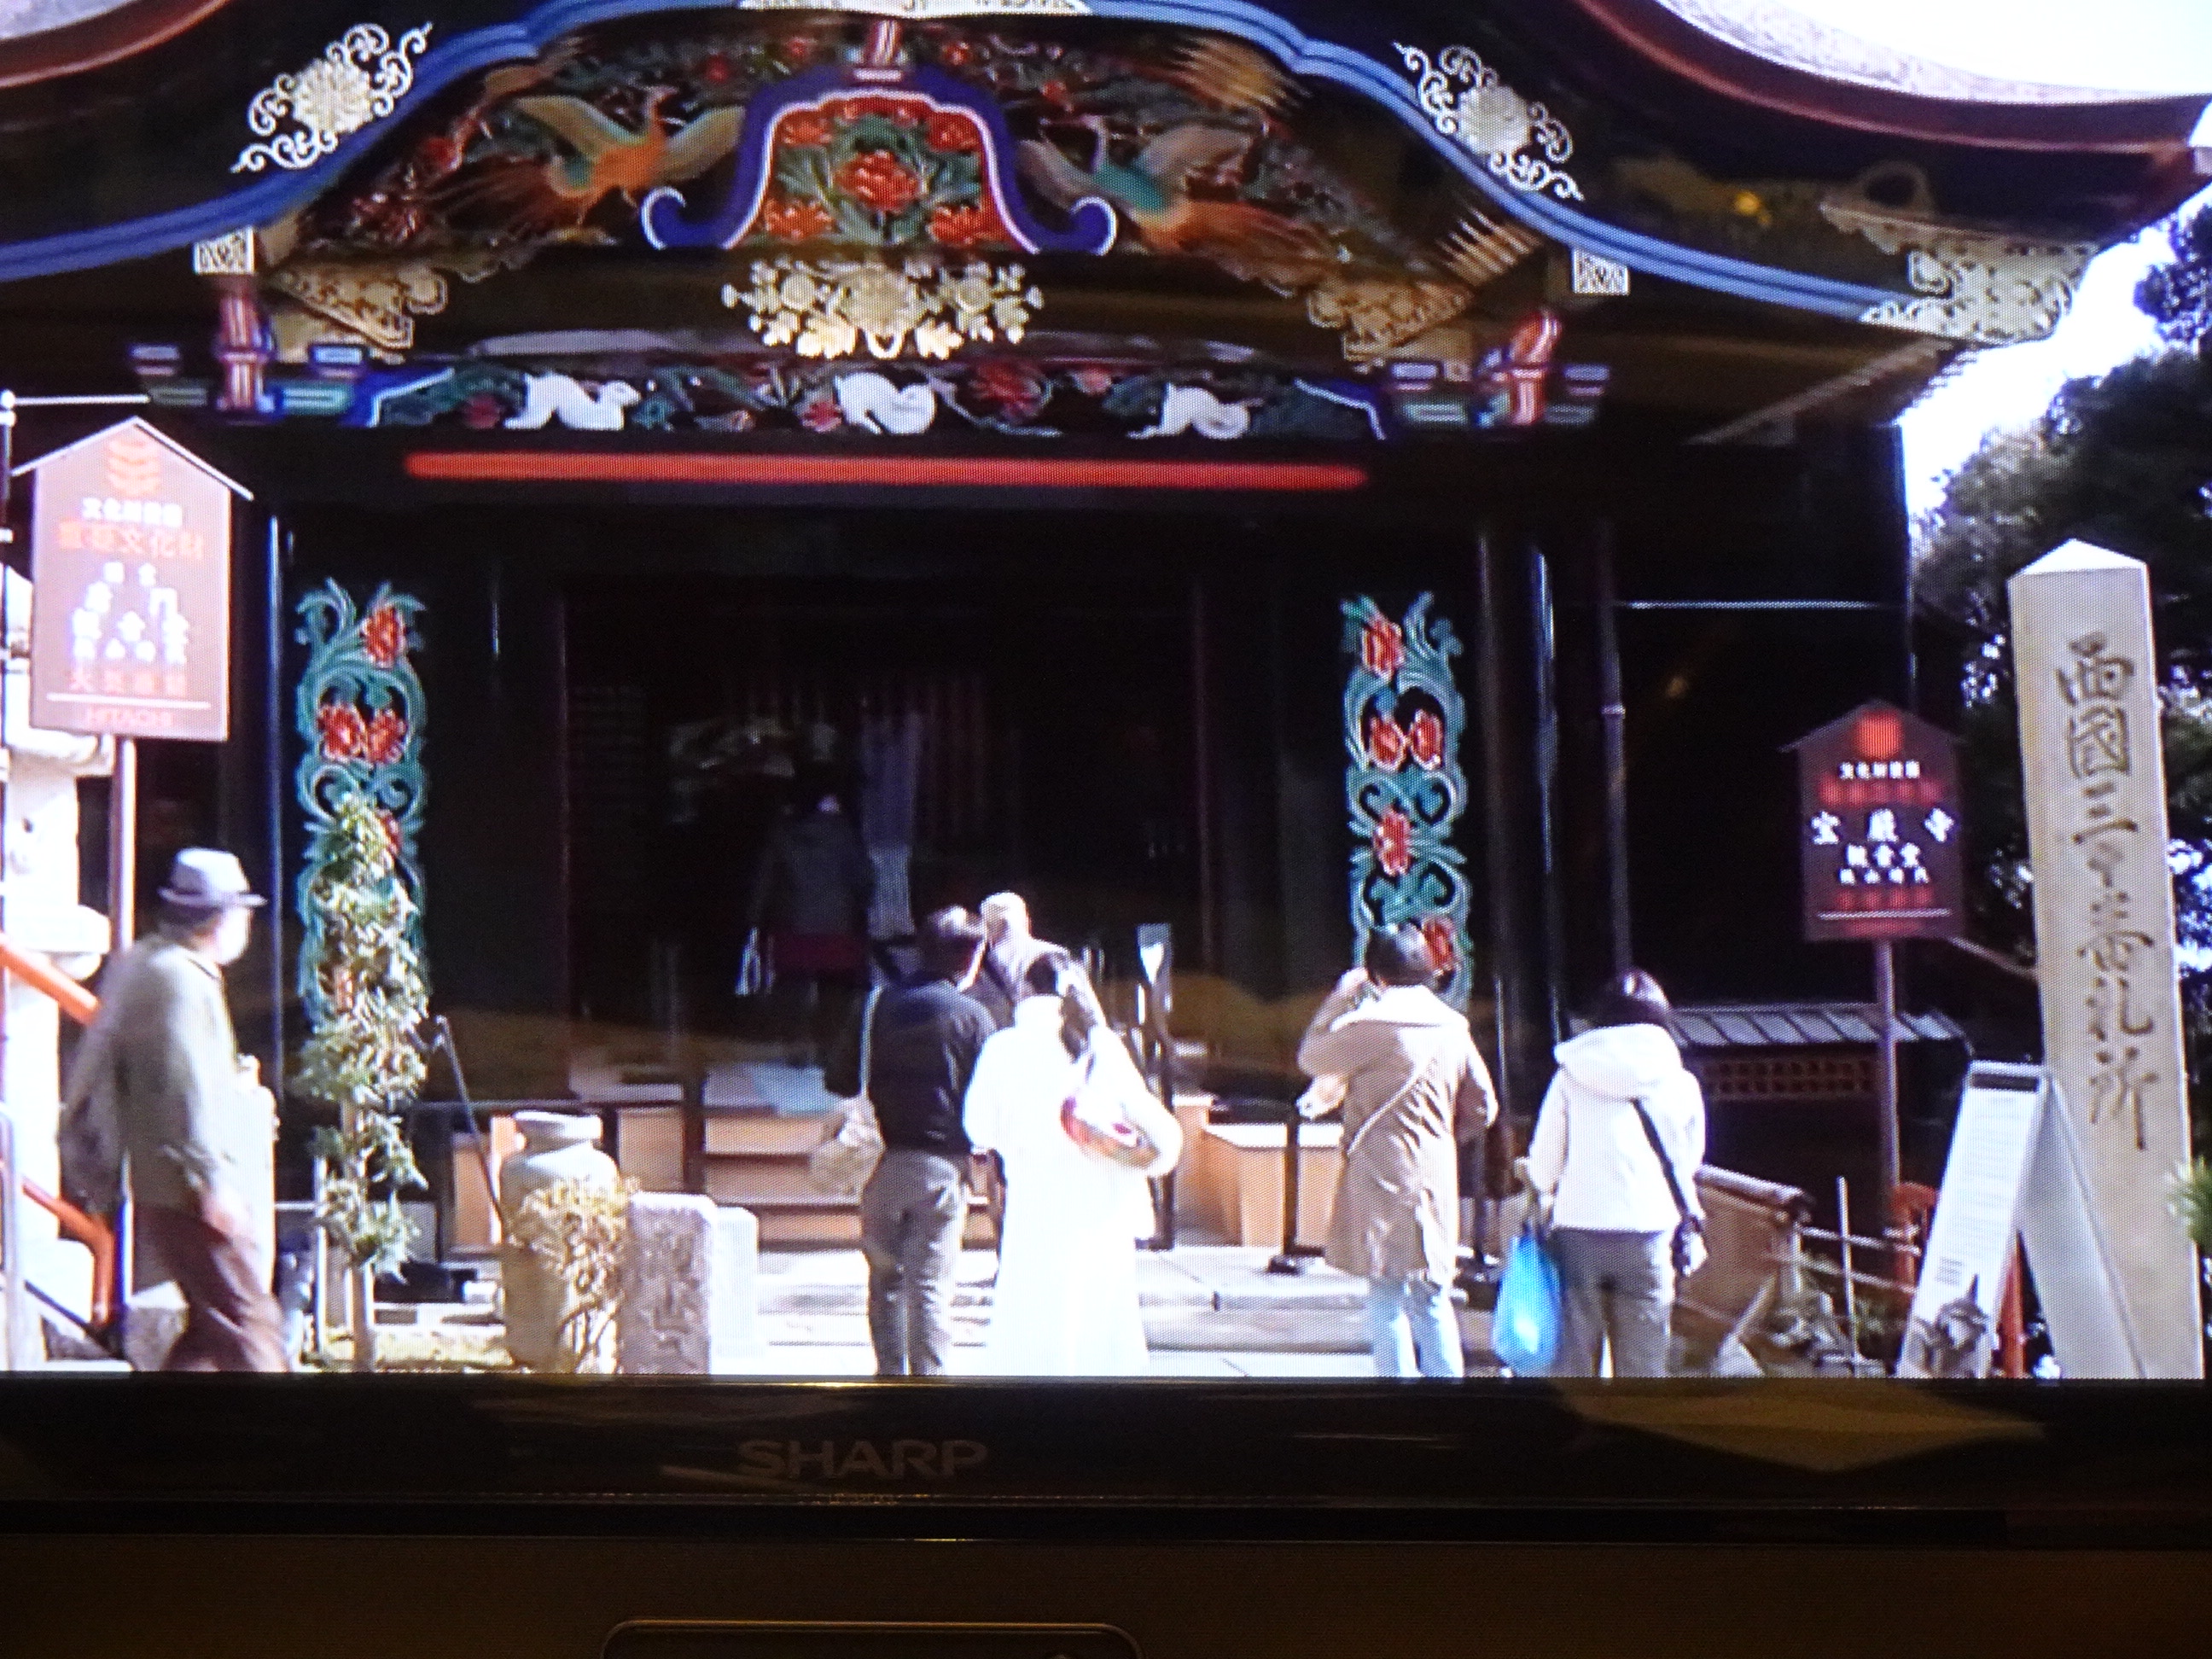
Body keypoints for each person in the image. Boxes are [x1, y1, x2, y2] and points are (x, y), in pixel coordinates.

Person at [61, 849, 285, 1372]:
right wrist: (211, 1183)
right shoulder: (180, 982)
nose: (246, 925)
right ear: (219, 918)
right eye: (241, 912)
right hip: (188, 1190)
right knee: (249, 1322)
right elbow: (183, 1089)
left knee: (211, 1331)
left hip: (164, 1186)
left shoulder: (150, 964)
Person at [1296, 924, 1498, 1378]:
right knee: (1433, 1295)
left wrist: (1340, 997)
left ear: (1375, 975)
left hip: (1378, 1169)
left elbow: (1311, 1057)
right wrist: (1445, 1138)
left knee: (1386, 1294)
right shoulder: (1453, 1027)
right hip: (1435, 1171)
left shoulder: (1368, 1027)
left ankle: (1398, 1393)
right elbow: (1483, 1106)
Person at [963, 952, 1155, 1376]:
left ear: (1025, 991)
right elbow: (1153, 1127)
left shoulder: (1003, 1048)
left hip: (1035, 1201)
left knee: (1036, 1316)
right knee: (1102, 1322)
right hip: (1102, 1203)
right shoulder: (1103, 1046)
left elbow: (978, 1127)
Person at [824, 905, 995, 1376]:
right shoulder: (973, 1017)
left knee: (886, 1281)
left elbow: (839, 1079)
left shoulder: (874, 1005)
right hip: (942, 1166)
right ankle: (929, 1387)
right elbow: (987, 1102)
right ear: (972, 956)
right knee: (930, 1286)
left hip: (878, 1160)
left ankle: (889, 1378)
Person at [1524, 969, 1708, 1379]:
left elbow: (1544, 1163)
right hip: (1650, 1230)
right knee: (1644, 1363)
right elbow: (1689, 1162)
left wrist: (1547, 1188)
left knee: (1576, 1360)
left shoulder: (1570, 1076)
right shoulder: (1681, 1083)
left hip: (1579, 1229)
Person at [748, 779, 876, 1065]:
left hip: (792, 923)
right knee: (834, 990)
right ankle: (827, 1049)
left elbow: (765, 882)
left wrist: (756, 920)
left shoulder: (781, 835)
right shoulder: (844, 834)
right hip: (838, 924)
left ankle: (795, 1049)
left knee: (792, 986)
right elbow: (864, 879)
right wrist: (860, 909)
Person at [969, 892, 1060, 1029]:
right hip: (1052, 1033)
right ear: (1025, 921)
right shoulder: (1055, 954)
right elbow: (1085, 1009)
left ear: (987, 927)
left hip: (1003, 1035)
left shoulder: (976, 965)